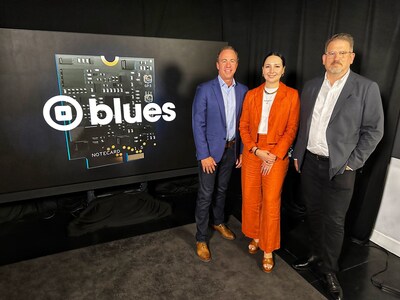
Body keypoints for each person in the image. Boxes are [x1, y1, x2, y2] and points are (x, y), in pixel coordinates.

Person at [291, 33, 384, 300]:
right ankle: (317, 254)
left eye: (342, 53)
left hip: (340, 168)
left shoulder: (366, 88)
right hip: (310, 163)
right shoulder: (310, 87)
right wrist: (298, 155)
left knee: (334, 221)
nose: (336, 58)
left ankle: (329, 270)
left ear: (351, 57)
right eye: (331, 53)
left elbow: (374, 131)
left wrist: (352, 163)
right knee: (314, 213)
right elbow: (303, 125)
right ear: (323, 58)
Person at [239, 52, 300, 272]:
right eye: (267, 66)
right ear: (262, 69)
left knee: (271, 201)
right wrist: (255, 150)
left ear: (283, 70)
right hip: (252, 151)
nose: (271, 70)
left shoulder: (292, 95)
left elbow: (291, 128)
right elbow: (243, 126)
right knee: (251, 197)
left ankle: (268, 249)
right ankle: (256, 235)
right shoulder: (251, 95)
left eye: (276, 66)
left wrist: (274, 154)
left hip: (277, 152)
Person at [192, 46, 248, 262]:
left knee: (223, 190)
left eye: (232, 61)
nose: (228, 65)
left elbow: (245, 125)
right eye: (224, 61)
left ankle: (218, 221)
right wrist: (203, 154)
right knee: (206, 194)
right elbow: (198, 123)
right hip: (210, 153)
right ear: (217, 64)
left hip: (231, 150)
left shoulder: (243, 90)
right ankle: (201, 237)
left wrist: (241, 151)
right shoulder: (205, 89)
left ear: (237, 64)